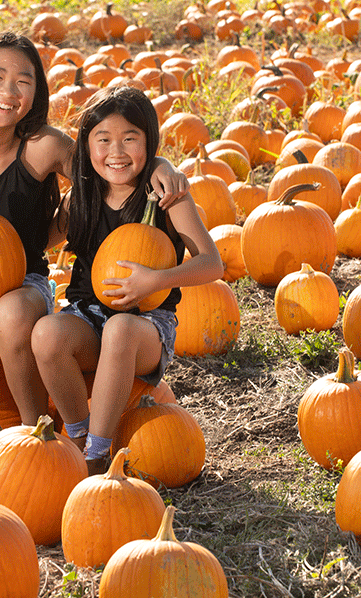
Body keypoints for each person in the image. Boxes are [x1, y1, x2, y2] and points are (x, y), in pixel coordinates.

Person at [0, 33, 188, 479]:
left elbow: (109, 162)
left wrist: (161, 166)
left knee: (9, 313)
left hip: (21, 286)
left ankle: (31, 434)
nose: (9, 91)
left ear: (35, 94)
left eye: (24, 81)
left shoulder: (42, 146)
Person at [31, 85, 224, 475]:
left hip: (146, 329)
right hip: (88, 317)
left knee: (120, 329)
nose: (116, 152)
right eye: (103, 140)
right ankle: (79, 434)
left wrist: (157, 280)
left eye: (129, 139)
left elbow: (212, 264)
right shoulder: (80, 198)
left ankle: (97, 457)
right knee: (46, 334)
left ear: (149, 143)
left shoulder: (166, 197)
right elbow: (33, 241)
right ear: (86, 146)